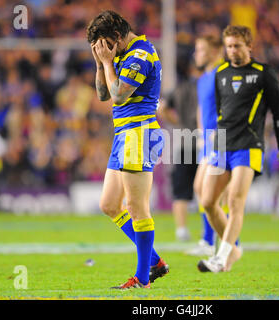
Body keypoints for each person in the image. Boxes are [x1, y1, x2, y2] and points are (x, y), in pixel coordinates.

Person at [198, 25, 279, 273]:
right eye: (228, 46)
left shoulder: (264, 73)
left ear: (249, 46)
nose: (232, 51)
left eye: (237, 46)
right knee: (208, 201)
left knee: (236, 202)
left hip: (249, 145)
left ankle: (221, 257)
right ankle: (234, 250)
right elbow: (220, 113)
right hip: (222, 145)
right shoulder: (220, 74)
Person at [86, 10, 168, 289]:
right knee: (109, 204)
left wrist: (108, 64)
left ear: (118, 37)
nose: (104, 50)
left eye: (106, 44)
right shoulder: (119, 54)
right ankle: (155, 261)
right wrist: (101, 64)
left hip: (140, 133)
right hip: (124, 134)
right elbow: (102, 95)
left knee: (136, 207)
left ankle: (143, 279)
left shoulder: (140, 54)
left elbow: (120, 94)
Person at [188, 35, 225, 256]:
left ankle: (228, 242)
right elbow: (202, 109)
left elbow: (229, 106)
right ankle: (209, 241)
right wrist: (201, 133)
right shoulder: (203, 78)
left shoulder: (223, 75)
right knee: (201, 189)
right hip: (207, 141)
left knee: (218, 193)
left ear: (214, 50)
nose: (197, 54)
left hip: (221, 138)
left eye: (201, 49)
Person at [157, 63, 200, 242]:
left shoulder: (179, 88)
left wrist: (178, 122)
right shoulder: (209, 85)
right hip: (209, 141)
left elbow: (161, 108)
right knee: (211, 190)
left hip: (185, 140)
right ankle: (211, 233)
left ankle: (181, 229)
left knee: (181, 190)